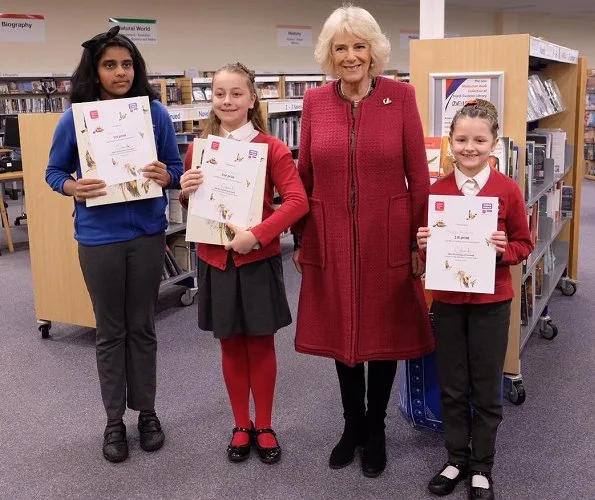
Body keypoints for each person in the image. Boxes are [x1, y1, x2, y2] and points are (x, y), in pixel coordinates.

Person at [291, 5, 434, 478]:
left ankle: (376, 428)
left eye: (358, 46)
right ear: (329, 55)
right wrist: (301, 236)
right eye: (341, 48)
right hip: (329, 236)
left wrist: (418, 243)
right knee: (340, 334)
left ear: (374, 51)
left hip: (388, 235)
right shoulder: (314, 102)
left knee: (385, 333)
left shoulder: (402, 96)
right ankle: (352, 424)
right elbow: (303, 176)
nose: (351, 56)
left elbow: (418, 175)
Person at [45, 25, 183, 463]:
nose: (120, 72)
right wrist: (72, 187)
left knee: (142, 327)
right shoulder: (77, 119)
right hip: (99, 237)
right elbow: (53, 172)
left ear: (136, 69)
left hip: (146, 235)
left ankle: (147, 412)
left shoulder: (155, 115)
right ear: (96, 71)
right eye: (110, 65)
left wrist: (167, 176)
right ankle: (113, 421)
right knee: (110, 331)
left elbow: (176, 169)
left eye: (127, 64)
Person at [179, 62, 308, 464]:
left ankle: (265, 424)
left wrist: (259, 234)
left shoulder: (272, 148)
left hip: (256, 258)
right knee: (230, 344)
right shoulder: (197, 149)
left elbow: (297, 202)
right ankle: (240, 423)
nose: (228, 101)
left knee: (261, 342)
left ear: (252, 99)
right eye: (219, 94)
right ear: (211, 100)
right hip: (216, 261)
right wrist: (184, 192)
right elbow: (192, 204)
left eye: (236, 94)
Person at [416, 99, 533, 500]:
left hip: (491, 303)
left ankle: (482, 466)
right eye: (462, 139)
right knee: (452, 384)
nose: (470, 148)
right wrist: (423, 244)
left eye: (479, 140)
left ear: (494, 142)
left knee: (485, 387)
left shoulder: (507, 190)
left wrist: (505, 250)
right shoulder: (438, 192)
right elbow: (430, 255)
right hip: (448, 302)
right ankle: (456, 458)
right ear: (450, 142)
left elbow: (524, 244)